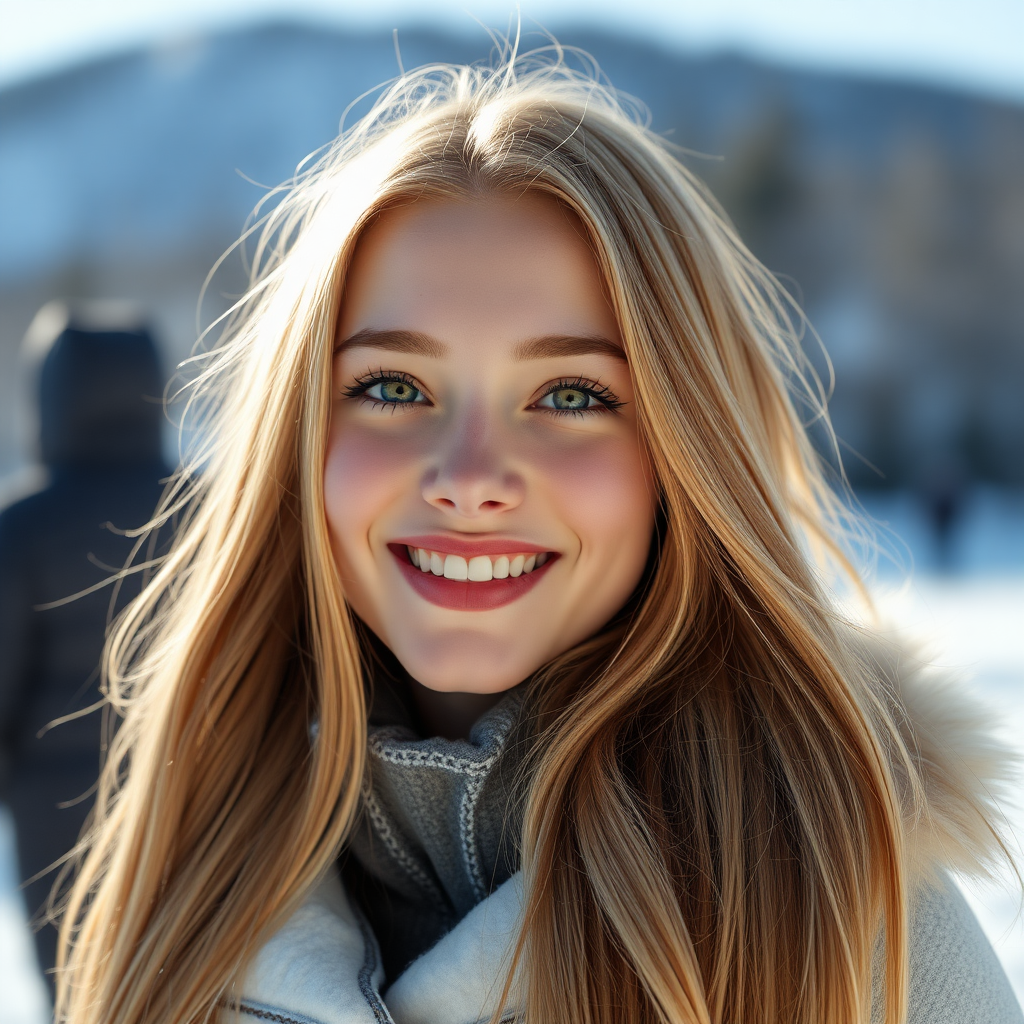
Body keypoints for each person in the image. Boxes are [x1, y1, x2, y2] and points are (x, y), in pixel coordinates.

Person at [55, 53, 1021, 1024]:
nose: (471, 477)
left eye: (571, 395)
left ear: (680, 456)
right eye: (394, 387)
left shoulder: (841, 911)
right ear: (298, 440)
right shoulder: (183, 888)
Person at [0, 304, 169, 996]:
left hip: (57, 817)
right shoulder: (213, 508)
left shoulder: (21, 525)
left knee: (80, 993)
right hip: (192, 790)